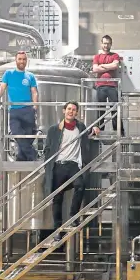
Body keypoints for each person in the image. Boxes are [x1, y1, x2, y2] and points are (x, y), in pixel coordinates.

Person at [43, 101, 100, 241]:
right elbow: (48, 148)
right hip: (59, 165)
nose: (71, 112)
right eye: (69, 109)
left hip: (74, 165)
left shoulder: (80, 127)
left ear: (77, 113)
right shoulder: (54, 129)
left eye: (74, 110)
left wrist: (95, 130)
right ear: (64, 111)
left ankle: (73, 217)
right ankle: (58, 229)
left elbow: (88, 135)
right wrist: (48, 165)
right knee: (57, 197)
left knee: (80, 186)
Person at [0, 51, 38, 161]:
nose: (22, 61)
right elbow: (2, 87)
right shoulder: (8, 74)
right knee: (17, 133)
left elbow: (34, 92)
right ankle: (32, 154)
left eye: (24, 59)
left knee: (28, 135)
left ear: (26, 61)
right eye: (20, 59)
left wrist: (35, 105)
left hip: (28, 109)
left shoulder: (30, 76)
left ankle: (21, 158)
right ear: (16, 60)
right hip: (14, 110)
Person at [93, 35, 125, 136]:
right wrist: (109, 67)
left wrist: (102, 66)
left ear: (111, 44)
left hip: (112, 86)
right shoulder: (97, 56)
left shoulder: (115, 55)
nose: (106, 45)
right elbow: (95, 69)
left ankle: (119, 132)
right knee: (100, 110)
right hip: (100, 86)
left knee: (115, 109)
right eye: (104, 43)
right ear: (101, 44)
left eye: (108, 43)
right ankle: (99, 131)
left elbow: (115, 65)